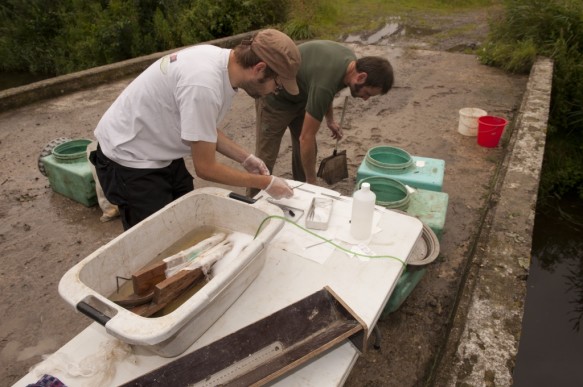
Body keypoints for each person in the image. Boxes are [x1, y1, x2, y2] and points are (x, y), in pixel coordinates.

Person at [90, 29, 300, 230]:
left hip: (156, 148)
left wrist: (245, 158)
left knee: (186, 221)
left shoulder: (221, 62)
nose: (274, 91)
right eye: (278, 85)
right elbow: (206, 168)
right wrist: (266, 182)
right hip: (128, 157)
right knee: (156, 243)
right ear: (260, 68)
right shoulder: (204, 85)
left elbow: (201, 127)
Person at [248, 40, 394, 197]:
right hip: (274, 98)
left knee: (306, 152)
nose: (365, 99)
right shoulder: (327, 80)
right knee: (266, 158)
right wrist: (313, 181)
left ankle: (302, 192)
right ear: (361, 77)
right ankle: (250, 199)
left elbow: (326, 91)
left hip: (301, 97)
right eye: (367, 93)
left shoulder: (350, 66)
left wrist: (330, 119)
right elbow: (307, 136)